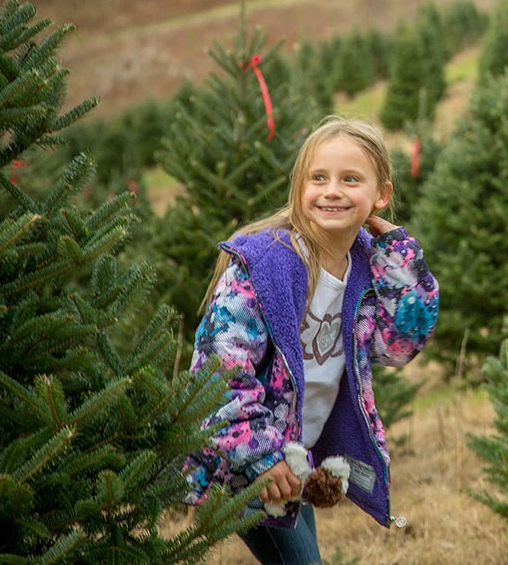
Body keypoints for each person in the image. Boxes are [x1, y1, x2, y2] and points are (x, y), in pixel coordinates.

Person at [182, 116, 440, 564]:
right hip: (247, 460)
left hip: (295, 457)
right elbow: (218, 371)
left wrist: (396, 251)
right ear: (300, 187)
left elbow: (401, 343)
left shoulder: (363, 266)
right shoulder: (268, 264)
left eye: (350, 179)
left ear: (381, 194)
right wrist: (262, 458)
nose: (332, 190)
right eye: (318, 177)